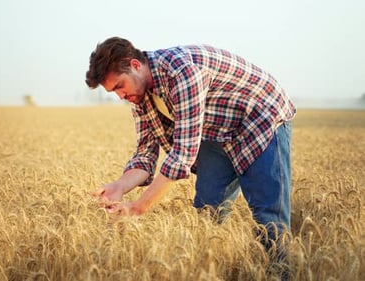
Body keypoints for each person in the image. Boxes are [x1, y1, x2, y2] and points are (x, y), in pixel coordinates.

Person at [85, 37, 296, 263]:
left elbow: (182, 156)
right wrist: (119, 186)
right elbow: (145, 153)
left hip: (260, 118)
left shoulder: (181, 71)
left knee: (268, 217)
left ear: (135, 65)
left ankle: (280, 273)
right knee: (207, 210)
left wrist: (139, 207)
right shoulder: (139, 96)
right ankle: (211, 271)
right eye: (113, 92)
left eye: (119, 86)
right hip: (217, 130)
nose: (121, 96)